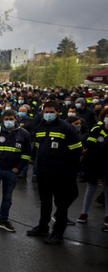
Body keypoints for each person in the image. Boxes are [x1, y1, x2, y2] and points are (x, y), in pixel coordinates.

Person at [26, 101, 82, 244]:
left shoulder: (66, 128)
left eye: (51, 112)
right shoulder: (40, 127)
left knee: (61, 204)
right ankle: (43, 227)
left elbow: (76, 152)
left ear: (57, 112)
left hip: (62, 173)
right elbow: (38, 149)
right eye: (46, 112)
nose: (49, 114)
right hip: (44, 172)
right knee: (45, 202)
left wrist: (71, 172)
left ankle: (58, 233)